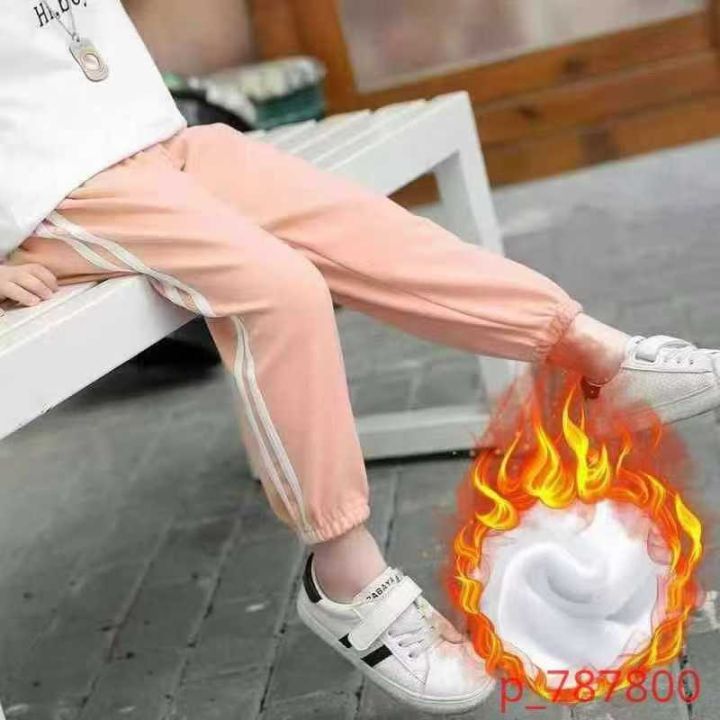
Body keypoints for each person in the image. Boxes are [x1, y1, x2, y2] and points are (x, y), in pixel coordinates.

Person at [2, 2, 719, 714]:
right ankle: (344, 573)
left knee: (360, 226)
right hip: (62, 193)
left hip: (156, 136)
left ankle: (593, 356)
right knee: (277, 291)